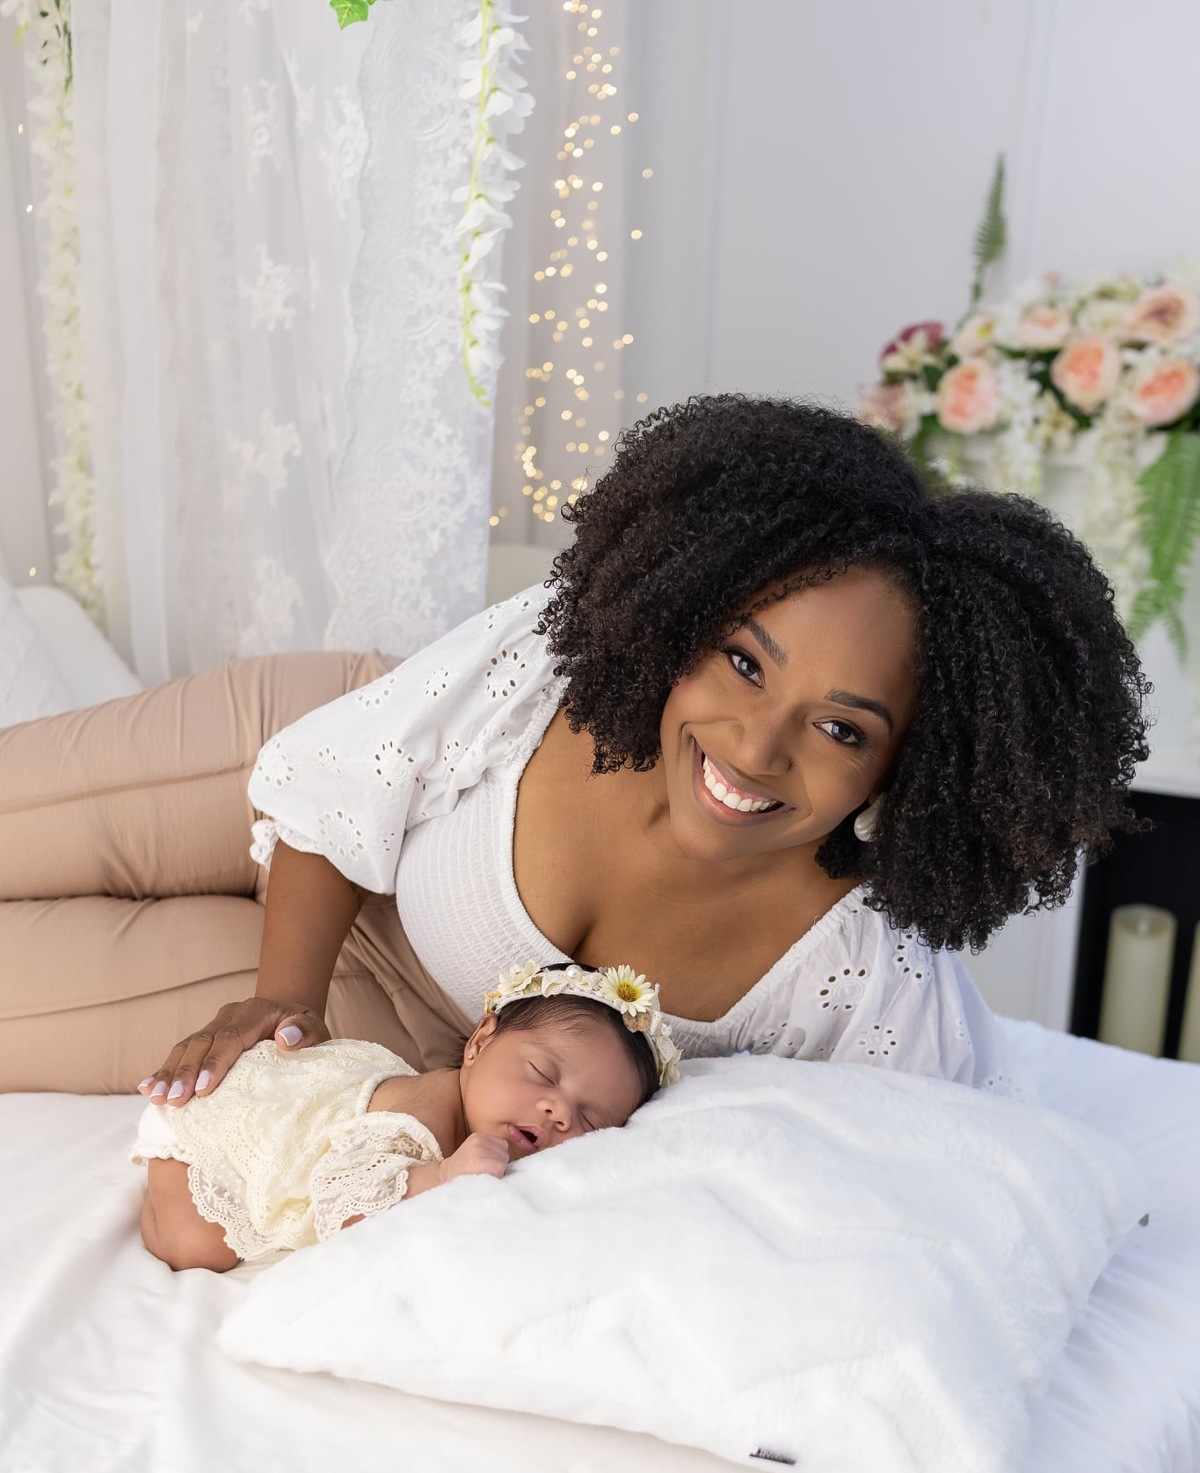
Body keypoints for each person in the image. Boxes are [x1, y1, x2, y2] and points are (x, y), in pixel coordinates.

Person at [0, 398, 1147, 1101]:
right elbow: (342, 779)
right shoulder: (569, 667)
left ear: (917, 766)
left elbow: (957, 1148)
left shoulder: (859, 976)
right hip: (315, 773)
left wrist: (306, 1033)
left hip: (391, 1007)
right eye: (744, 662)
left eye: (843, 728)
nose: (755, 747)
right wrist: (274, 1002)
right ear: (680, 617)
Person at [134, 961, 677, 1272]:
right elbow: (339, 1198)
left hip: (321, 1099)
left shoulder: (481, 1123)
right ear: (479, 1042)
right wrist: (438, 1178)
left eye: (589, 1119)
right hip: (230, 1119)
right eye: (541, 1072)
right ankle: (156, 1199)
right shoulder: (421, 1121)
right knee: (195, 1247)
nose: (558, 1110)